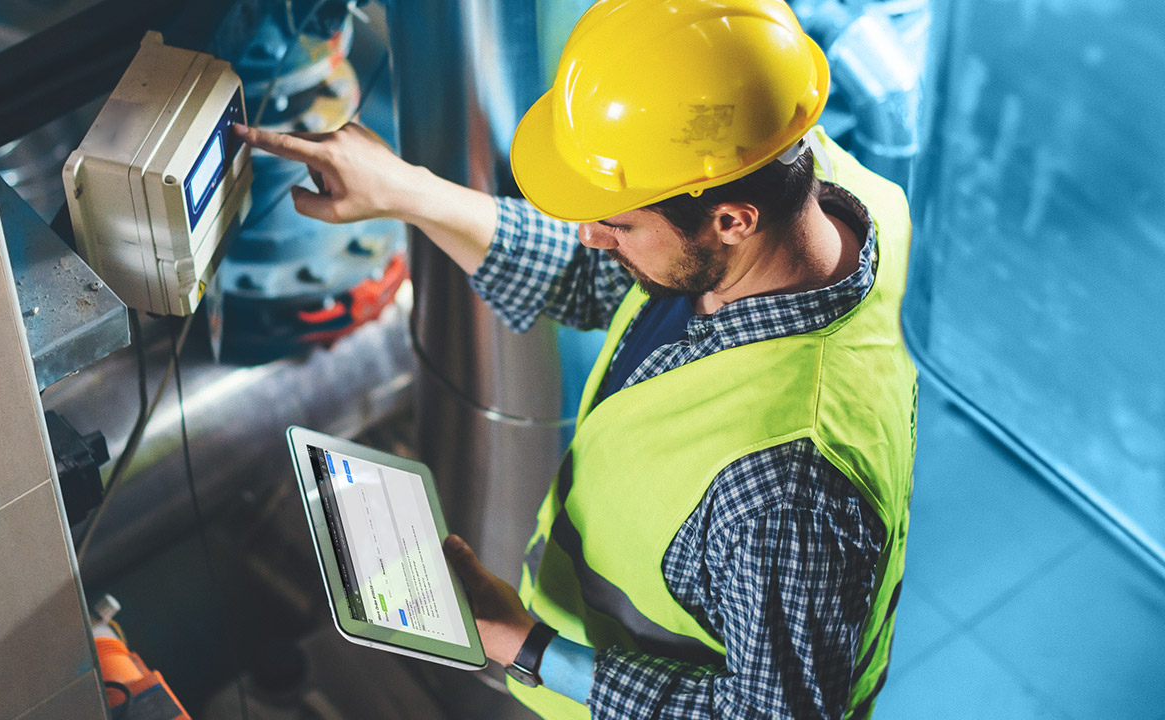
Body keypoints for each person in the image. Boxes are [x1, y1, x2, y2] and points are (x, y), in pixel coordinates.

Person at [237, 0, 917, 717]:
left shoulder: (786, 492)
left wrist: (525, 646)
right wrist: (407, 193)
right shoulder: (809, 183)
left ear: (732, 220)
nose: (593, 236)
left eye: (616, 222)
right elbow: (600, 277)